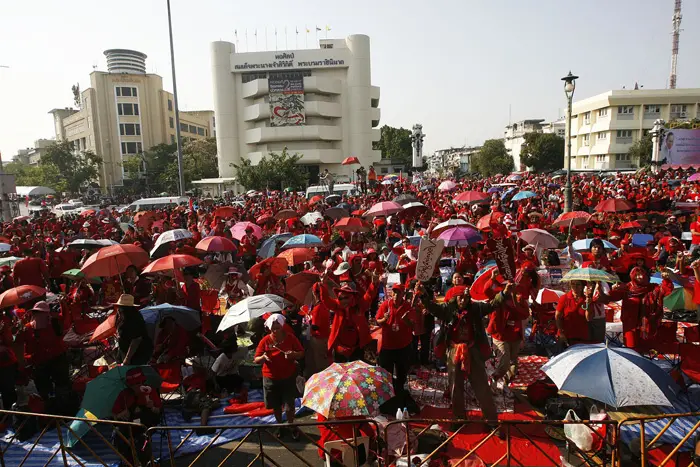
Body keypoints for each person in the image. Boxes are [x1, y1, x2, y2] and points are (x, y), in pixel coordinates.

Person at [418, 283, 499, 428]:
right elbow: (432, 307)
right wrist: (424, 294)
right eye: (460, 298)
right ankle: (459, 418)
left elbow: (492, 304)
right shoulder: (447, 309)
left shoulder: (475, 308)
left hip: (472, 350)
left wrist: (504, 292)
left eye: (466, 298)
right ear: (455, 299)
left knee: (481, 386)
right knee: (455, 386)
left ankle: (491, 421)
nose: (463, 300)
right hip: (453, 350)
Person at [254, 314, 304, 440]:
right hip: (270, 378)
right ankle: (279, 425)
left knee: (289, 405)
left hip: (288, 377)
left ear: (282, 326)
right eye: (273, 328)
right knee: (276, 405)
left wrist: (293, 355)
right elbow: (256, 359)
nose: (275, 330)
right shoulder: (265, 341)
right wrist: (263, 358)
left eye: (277, 327)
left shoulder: (291, 338)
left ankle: (291, 425)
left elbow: (301, 353)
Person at [599, 267, 673, 350]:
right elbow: (611, 297)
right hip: (630, 325)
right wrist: (607, 289)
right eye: (637, 275)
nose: (640, 277)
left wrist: (666, 279)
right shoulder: (626, 288)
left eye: (642, 274)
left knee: (644, 349)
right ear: (632, 276)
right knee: (631, 349)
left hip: (647, 325)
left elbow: (666, 290)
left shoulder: (652, 288)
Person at [20, 301, 70, 405]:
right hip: (40, 362)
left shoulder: (54, 323)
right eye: (36, 312)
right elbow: (22, 346)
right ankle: (48, 408)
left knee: (62, 386)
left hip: (57, 358)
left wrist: (63, 305)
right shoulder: (27, 328)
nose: (39, 315)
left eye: (41, 312)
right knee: (43, 390)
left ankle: (63, 406)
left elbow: (66, 321)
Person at [488, 282, 530, 388]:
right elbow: (487, 292)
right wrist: (492, 279)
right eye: (507, 287)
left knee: (513, 363)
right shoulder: (498, 297)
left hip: (514, 335)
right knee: (504, 363)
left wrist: (516, 301)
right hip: (500, 335)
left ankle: (507, 384)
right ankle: (494, 378)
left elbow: (524, 315)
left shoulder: (519, 299)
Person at [376, 283, 414, 394]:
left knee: (402, 373)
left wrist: (406, 320)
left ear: (403, 294)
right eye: (394, 292)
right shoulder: (385, 305)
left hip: (403, 346)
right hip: (387, 346)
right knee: (386, 373)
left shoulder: (407, 306)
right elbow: (378, 321)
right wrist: (384, 319)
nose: (396, 294)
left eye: (399, 292)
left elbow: (413, 327)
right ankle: (388, 393)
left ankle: (400, 392)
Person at [115, 294, 153, 365]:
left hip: (138, 354)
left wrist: (127, 358)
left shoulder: (134, 319)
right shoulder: (121, 318)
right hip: (125, 351)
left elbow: (136, 340)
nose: (118, 309)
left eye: (120, 307)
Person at [304, 283, 331, 378]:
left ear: (314, 293)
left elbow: (315, 326)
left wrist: (308, 320)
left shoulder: (318, 308)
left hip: (318, 339)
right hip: (325, 337)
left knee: (320, 364)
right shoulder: (325, 304)